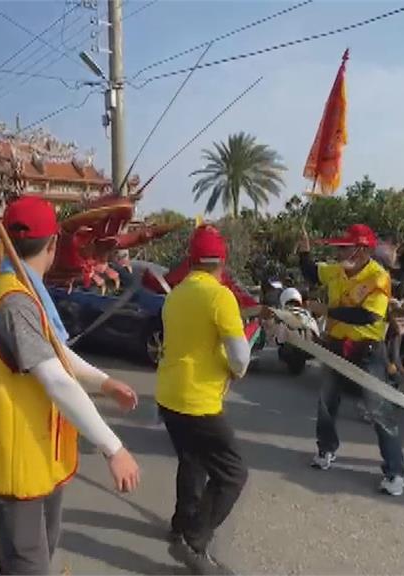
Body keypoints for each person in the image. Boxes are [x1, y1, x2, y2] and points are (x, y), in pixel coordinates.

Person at [0, 196, 141, 576]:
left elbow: (55, 352)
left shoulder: (22, 291)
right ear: (52, 247)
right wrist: (114, 448)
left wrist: (103, 382)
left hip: (37, 456)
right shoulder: (15, 301)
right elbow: (55, 379)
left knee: (39, 557)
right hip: (17, 465)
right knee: (29, 566)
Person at [155, 225, 250, 575]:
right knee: (232, 472)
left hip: (169, 397)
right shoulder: (220, 296)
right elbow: (239, 356)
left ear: (191, 262)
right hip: (199, 402)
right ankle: (196, 539)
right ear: (220, 263)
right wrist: (234, 370)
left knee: (192, 460)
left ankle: (181, 523)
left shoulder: (175, 295)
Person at [298, 224, 404, 496]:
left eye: (344, 247)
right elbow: (312, 272)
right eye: (338, 247)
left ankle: (395, 472)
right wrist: (304, 253)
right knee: (326, 401)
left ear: (362, 250)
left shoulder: (379, 278)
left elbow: (368, 317)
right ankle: (326, 450)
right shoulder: (336, 270)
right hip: (335, 346)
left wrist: (328, 310)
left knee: (379, 411)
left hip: (368, 351)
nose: (339, 252)